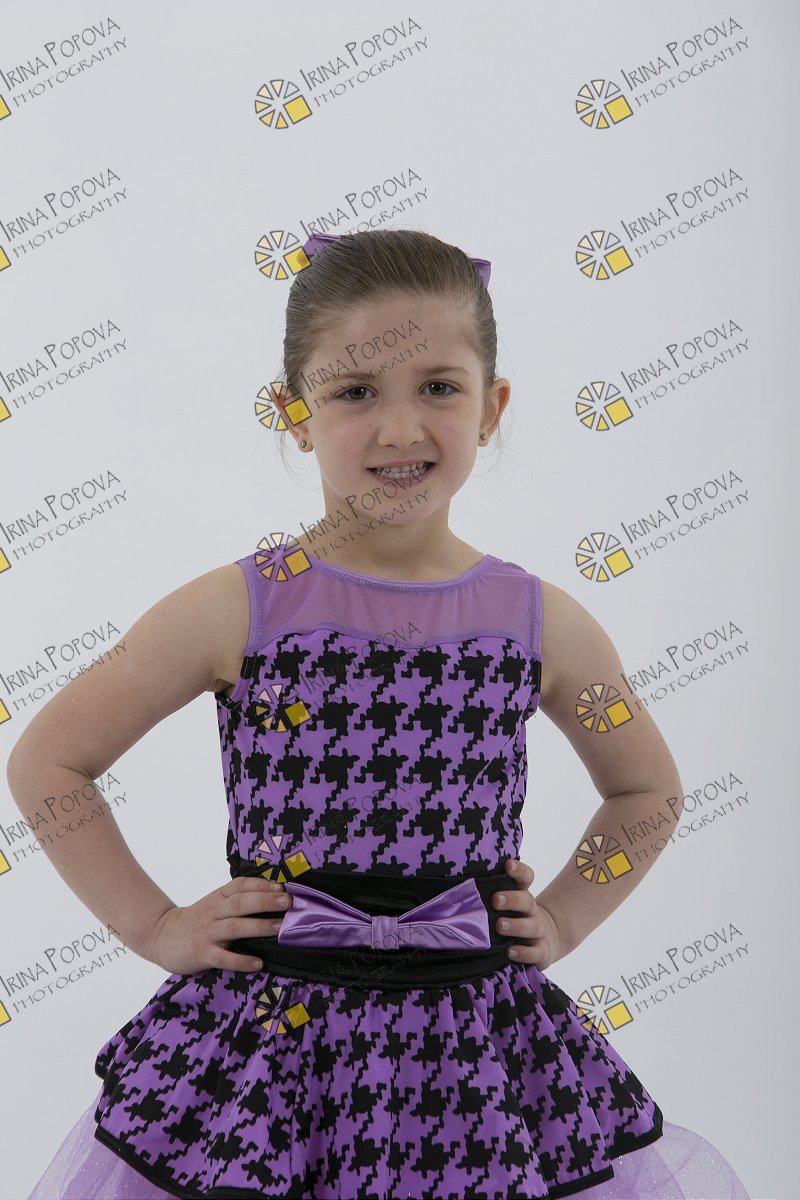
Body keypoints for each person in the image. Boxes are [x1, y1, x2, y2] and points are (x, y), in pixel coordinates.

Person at [9, 228, 750, 1200]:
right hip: (271, 1047)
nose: (400, 428)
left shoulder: (543, 623)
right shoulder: (237, 607)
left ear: (491, 408)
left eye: (438, 387)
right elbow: (50, 761)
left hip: (474, 1048)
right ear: (294, 412)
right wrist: (155, 926)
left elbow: (646, 791)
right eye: (356, 391)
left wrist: (566, 917)